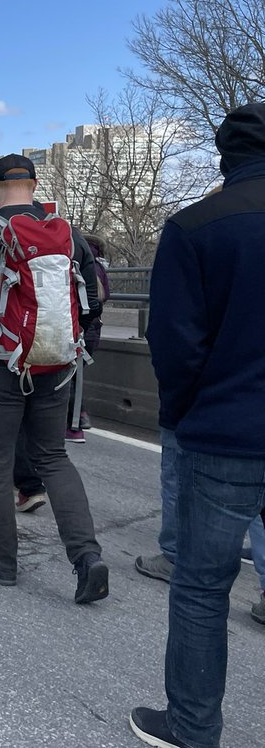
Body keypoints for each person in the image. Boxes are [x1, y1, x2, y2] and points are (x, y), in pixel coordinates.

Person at [130, 103, 265, 748]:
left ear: (225, 157)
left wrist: (184, 415)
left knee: (202, 589)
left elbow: (174, 341)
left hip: (224, 433)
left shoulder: (195, 226)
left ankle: (192, 729)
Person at [0, 154, 107, 604]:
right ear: (34, 185)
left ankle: (1, 562)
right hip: (53, 363)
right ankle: (87, 558)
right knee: (53, 458)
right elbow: (93, 300)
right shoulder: (66, 233)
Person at [63, 234, 111, 442]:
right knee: (77, 375)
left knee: (66, 378)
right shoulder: (100, 266)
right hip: (93, 328)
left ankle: (75, 423)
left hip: (75, 325)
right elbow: (103, 297)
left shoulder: (71, 259)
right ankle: (80, 417)